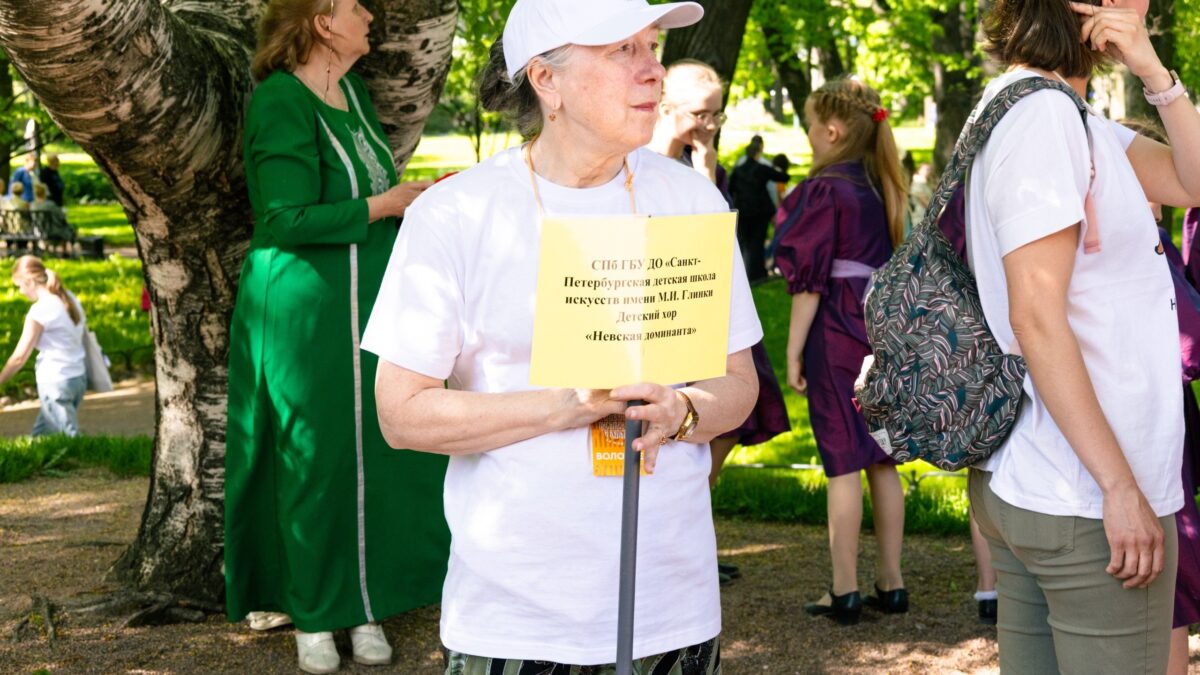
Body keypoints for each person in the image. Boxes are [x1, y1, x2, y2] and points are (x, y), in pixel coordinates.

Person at [362, 0, 760, 670]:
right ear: (546, 80)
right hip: (516, 622)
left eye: (651, 47)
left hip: (672, 610)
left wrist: (685, 409)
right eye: (622, 51)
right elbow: (400, 414)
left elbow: (738, 383)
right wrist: (567, 406)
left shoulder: (690, 199)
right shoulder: (456, 214)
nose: (653, 73)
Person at [965, 0, 1200, 671]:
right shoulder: (1042, 117)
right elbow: (1035, 314)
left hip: (1044, 479)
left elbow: (1194, 179)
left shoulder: (1052, 110)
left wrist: (1153, 69)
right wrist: (1120, 487)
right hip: (1087, 496)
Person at [223, 1, 449, 673]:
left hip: (364, 304)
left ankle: (363, 602)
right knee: (313, 460)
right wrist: (386, 205)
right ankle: (315, 615)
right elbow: (285, 216)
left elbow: (374, 190)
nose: (369, 15)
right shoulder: (281, 101)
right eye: (354, 6)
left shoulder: (349, 91)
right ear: (321, 20)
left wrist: (422, 201)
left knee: (371, 455)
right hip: (303, 312)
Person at [648, 59, 791, 584]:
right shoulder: (638, 164)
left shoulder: (704, 166)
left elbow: (720, 236)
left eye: (716, 115)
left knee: (734, 413)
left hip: (704, 308)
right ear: (666, 108)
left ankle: (692, 523)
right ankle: (674, 535)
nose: (709, 126)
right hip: (663, 311)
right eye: (699, 115)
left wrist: (708, 170)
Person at [775, 77, 909, 626]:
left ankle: (845, 589)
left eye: (809, 123)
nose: (806, 133)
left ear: (831, 130)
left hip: (836, 329)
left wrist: (791, 351)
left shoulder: (824, 190)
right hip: (879, 327)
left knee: (841, 464)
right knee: (881, 457)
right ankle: (892, 583)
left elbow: (809, 283)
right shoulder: (881, 186)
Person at [0, 256, 87, 436]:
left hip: (56, 380)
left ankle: (90, 462)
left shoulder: (40, 311)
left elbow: (19, 358)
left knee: (70, 435)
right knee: (42, 434)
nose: (21, 292)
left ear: (30, 281)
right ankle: (33, 460)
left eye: (20, 286)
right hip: (77, 377)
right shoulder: (69, 298)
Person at [729, 136, 789, 282]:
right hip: (760, 211)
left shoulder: (738, 170)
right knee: (757, 242)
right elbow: (783, 177)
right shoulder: (762, 168)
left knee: (744, 242)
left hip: (742, 210)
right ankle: (756, 273)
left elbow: (730, 189)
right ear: (758, 153)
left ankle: (744, 273)